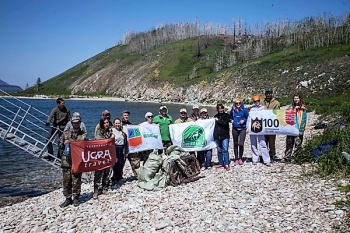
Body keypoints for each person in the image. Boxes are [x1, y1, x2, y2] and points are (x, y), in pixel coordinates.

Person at [59, 113, 87, 207]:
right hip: (66, 161)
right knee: (66, 180)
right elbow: (60, 145)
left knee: (76, 180)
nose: (76, 124)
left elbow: (86, 146)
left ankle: (76, 197)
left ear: (80, 122)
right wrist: (64, 143)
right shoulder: (65, 133)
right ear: (71, 123)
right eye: (74, 122)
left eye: (77, 122)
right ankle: (67, 198)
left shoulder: (83, 135)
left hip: (77, 161)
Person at [93, 117, 115, 199]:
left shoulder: (110, 131)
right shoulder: (99, 131)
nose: (106, 124)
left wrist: (112, 137)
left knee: (107, 172)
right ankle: (95, 191)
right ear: (102, 124)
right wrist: (109, 140)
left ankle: (104, 188)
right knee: (98, 173)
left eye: (107, 123)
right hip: (100, 155)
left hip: (107, 154)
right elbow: (98, 141)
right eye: (105, 123)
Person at [283, 94, 307, 162]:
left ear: (300, 99)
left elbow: (304, 119)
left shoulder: (303, 108)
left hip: (298, 129)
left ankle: (297, 157)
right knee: (289, 143)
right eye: (295, 98)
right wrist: (293, 109)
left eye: (297, 98)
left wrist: (301, 129)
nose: (296, 99)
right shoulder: (290, 107)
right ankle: (287, 157)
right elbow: (286, 115)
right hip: (291, 128)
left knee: (298, 144)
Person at [248, 95, 271, 166]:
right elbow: (249, 119)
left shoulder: (264, 108)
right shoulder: (252, 110)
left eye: (257, 101)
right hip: (252, 128)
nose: (256, 102)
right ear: (253, 102)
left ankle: (266, 160)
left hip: (261, 128)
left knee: (263, 143)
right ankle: (255, 159)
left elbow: (267, 116)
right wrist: (247, 127)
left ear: (259, 101)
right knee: (253, 144)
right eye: (255, 101)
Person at [261, 88, 280, 161]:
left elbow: (277, 114)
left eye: (269, 93)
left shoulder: (276, 103)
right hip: (264, 125)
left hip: (272, 125)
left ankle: (272, 155)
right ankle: (264, 155)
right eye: (267, 93)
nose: (268, 95)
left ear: (272, 94)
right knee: (264, 141)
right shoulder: (262, 102)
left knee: (272, 141)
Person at [120, 110, 140, 178]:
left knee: (135, 161)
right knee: (121, 163)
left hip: (130, 146)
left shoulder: (130, 125)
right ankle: (118, 177)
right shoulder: (119, 124)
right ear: (122, 115)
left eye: (127, 115)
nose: (126, 116)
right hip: (122, 147)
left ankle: (137, 175)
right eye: (125, 115)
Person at [230, 98, 249, 166]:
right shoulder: (232, 110)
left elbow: (248, 118)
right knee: (235, 143)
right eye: (236, 103)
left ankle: (240, 158)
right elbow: (230, 117)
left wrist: (244, 120)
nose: (238, 104)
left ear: (241, 103)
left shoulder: (244, 110)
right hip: (235, 128)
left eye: (239, 103)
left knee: (241, 143)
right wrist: (231, 120)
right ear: (235, 104)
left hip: (242, 128)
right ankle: (236, 158)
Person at [213, 103, 231, 171]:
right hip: (217, 136)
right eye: (219, 108)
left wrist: (218, 120)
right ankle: (221, 163)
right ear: (217, 109)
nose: (221, 110)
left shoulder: (227, 115)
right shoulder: (215, 116)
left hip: (225, 136)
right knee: (219, 150)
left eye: (222, 108)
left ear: (223, 108)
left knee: (225, 150)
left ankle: (226, 163)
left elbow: (224, 123)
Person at [111, 118, 127, 186]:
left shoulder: (122, 131)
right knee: (116, 163)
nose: (117, 124)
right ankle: (115, 178)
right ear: (114, 124)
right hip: (115, 148)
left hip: (122, 148)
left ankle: (119, 176)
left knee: (121, 163)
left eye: (119, 123)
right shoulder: (112, 131)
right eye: (116, 123)